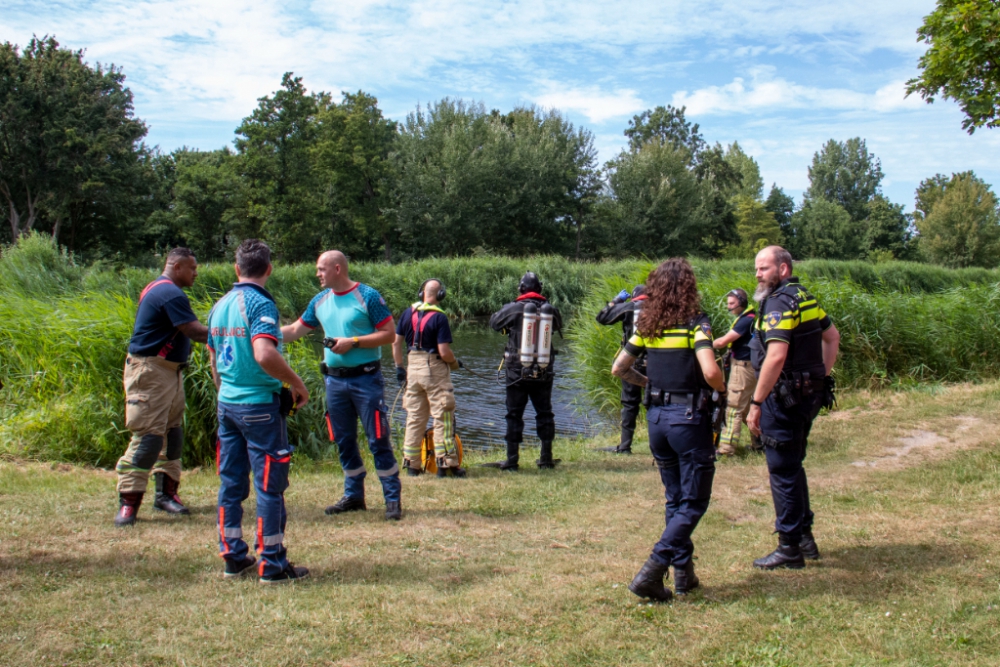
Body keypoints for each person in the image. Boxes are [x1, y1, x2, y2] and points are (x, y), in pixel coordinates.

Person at [612, 258, 727, 602]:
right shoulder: (696, 323)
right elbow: (709, 371)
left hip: (657, 420)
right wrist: (722, 389)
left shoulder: (648, 324)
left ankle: (683, 574)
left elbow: (620, 367)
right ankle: (653, 568)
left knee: (675, 498)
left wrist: (648, 383)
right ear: (688, 287)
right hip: (688, 419)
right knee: (694, 501)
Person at [207, 239, 310, 583]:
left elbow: (213, 358)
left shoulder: (219, 306)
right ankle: (272, 563)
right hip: (259, 407)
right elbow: (265, 353)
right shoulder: (259, 303)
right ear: (268, 269)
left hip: (228, 404)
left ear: (236, 268)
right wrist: (297, 383)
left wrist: (225, 395)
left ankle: (233, 556)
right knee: (269, 486)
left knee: (231, 482)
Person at [281, 251, 400, 520]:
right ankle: (354, 496)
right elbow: (295, 330)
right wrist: (262, 334)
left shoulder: (367, 296)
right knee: (344, 441)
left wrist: (353, 342)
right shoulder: (319, 301)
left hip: (366, 379)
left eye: (321, 269)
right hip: (334, 382)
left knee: (378, 439)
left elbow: (389, 334)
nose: (317, 274)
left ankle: (392, 500)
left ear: (337, 268)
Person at [747, 246, 840, 570]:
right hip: (806, 396)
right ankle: (804, 537)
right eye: (757, 269)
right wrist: (821, 378)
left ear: (783, 269)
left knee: (782, 470)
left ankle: (789, 547)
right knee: (793, 464)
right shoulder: (804, 297)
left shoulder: (779, 302)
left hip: (783, 399)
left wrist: (756, 402)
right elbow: (832, 337)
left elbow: (775, 355)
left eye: (763, 268)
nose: (757, 274)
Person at [114, 248, 208, 528]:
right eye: (192, 268)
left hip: (169, 371)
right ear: (176, 266)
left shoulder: (162, 289)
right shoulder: (169, 293)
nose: (196, 273)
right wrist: (233, 333)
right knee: (149, 438)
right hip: (151, 372)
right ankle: (129, 503)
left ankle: (166, 496)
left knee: (172, 434)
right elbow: (195, 331)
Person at [484, 272, 563, 470]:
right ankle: (546, 458)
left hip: (517, 371)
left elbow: (494, 323)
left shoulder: (513, 308)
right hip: (544, 370)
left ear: (521, 289)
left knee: (514, 414)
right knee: (545, 413)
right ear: (540, 289)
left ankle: (512, 460)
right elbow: (559, 326)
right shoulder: (550, 310)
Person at [392, 278, 466, 478]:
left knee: (415, 418)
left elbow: (396, 343)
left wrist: (400, 368)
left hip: (412, 369)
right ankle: (445, 464)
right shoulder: (439, 318)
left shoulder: (408, 313)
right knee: (443, 416)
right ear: (440, 295)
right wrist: (455, 363)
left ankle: (412, 466)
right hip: (433, 369)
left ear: (421, 293)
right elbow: (444, 351)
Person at [595, 285, 647, 455]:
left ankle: (625, 446)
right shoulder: (659, 309)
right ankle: (660, 444)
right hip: (654, 363)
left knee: (629, 403)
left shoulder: (628, 307)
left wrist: (616, 300)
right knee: (656, 402)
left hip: (630, 362)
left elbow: (602, 317)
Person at [712, 288, 759, 456]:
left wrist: (706, 344)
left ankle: (726, 449)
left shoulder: (746, 320)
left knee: (733, 407)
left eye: (732, 303)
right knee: (746, 408)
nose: (729, 307)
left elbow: (725, 341)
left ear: (742, 303)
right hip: (746, 366)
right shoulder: (748, 318)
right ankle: (760, 443)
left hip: (743, 367)